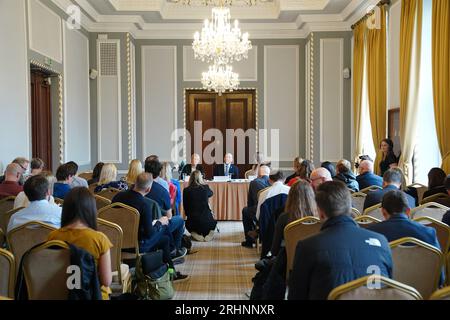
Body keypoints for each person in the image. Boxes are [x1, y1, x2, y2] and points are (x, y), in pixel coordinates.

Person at [288, 181, 393, 300]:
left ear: (321, 213)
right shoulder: (382, 241)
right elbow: (389, 290)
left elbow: (297, 295)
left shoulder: (308, 246)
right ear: (349, 208)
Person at [112, 173, 189, 280]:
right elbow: (150, 234)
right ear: (148, 190)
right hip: (137, 245)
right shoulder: (144, 204)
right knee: (165, 231)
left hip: (116, 242)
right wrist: (159, 222)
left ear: (135, 183)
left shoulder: (117, 197)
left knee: (165, 239)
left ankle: (170, 267)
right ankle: (171, 269)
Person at [47, 187, 113, 300]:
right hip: (92, 295)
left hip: (62, 294)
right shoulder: (100, 239)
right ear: (91, 209)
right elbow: (106, 281)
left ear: (66, 209)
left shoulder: (53, 236)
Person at [368, 190, 440, 247]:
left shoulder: (371, 233)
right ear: (408, 211)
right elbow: (438, 263)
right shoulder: (429, 233)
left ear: (383, 212)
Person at [144, 160, 187, 259]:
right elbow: (169, 216)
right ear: (159, 172)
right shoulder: (162, 190)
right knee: (179, 219)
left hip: (139, 226)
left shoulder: (135, 187)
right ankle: (174, 250)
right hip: (157, 226)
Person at [271, 180, 318, 257]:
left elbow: (274, 249)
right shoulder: (319, 217)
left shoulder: (284, 218)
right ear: (312, 195)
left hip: (290, 259)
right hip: (315, 260)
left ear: (291, 196)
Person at [241, 165, 271, 247]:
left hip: (260, 211)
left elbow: (251, 201)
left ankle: (249, 241)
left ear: (258, 174)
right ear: (268, 174)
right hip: (274, 212)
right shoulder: (273, 182)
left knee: (245, 210)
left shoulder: (254, 182)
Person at [183, 170, 217, 242]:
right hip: (208, 222)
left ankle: (195, 234)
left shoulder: (186, 190)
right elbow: (211, 194)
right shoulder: (205, 187)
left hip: (193, 222)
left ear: (190, 178)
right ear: (200, 178)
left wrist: (188, 215)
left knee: (188, 224)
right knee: (213, 223)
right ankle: (209, 233)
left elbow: (185, 207)